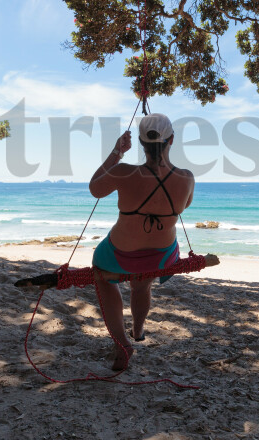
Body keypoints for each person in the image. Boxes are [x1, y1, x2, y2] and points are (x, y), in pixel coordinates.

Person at [88, 113, 195, 370]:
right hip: (161, 256)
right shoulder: (187, 178)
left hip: (120, 255)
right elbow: (186, 205)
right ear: (172, 140)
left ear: (140, 142)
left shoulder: (123, 172)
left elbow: (95, 189)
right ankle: (138, 330)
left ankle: (122, 343)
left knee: (102, 276)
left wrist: (117, 152)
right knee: (142, 284)